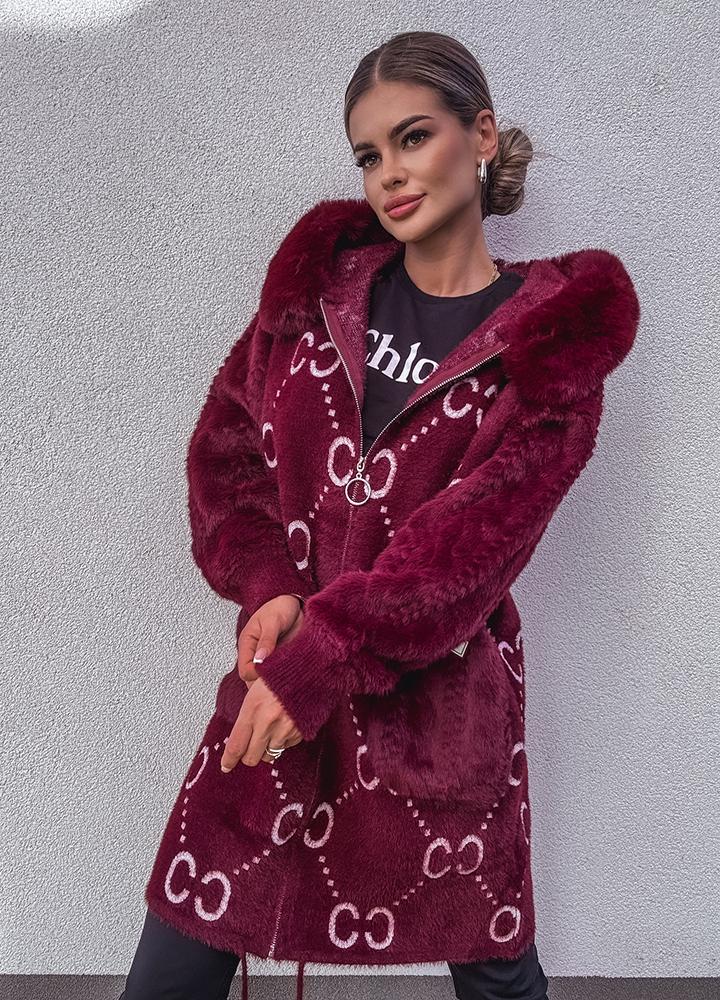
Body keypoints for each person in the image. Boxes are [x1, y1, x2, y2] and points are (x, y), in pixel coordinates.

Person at [119, 30, 640, 1000]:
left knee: (496, 974)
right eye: (369, 154)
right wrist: (270, 586)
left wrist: (328, 652)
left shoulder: (550, 342)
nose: (390, 173)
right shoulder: (315, 297)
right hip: (283, 687)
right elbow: (227, 456)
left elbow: (471, 551)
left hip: (438, 708)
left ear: (481, 135)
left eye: (413, 137)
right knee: (176, 957)